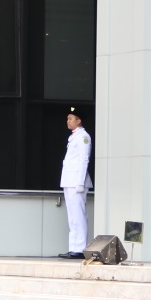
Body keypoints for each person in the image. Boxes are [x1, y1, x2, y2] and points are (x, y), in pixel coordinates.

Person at [59, 107, 92, 259]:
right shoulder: (74, 137)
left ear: (79, 121)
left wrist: (80, 182)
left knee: (78, 215)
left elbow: (83, 159)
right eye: (67, 119)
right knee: (72, 217)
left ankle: (80, 248)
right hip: (69, 180)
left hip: (76, 182)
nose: (68, 121)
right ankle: (74, 247)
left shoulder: (83, 136)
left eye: (71, 118)